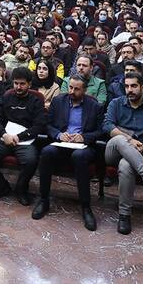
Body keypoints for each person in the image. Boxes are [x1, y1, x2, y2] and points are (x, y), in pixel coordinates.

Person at [32, 75, 104, 231]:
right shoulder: (58, 101)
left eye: (77, 89)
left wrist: (84, 137)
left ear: (84, 90)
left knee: (79, 156)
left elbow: (101, 131)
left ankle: (86, 207)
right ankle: (43, 200)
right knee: (46, 152)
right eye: (70, 87)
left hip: (83, 147)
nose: (72, 91)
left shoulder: (94, 106)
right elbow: (47, 124)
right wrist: (59, 134)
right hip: (61, 143)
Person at [103, 72, 143, 235]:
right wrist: (129, 139)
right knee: (120, 139)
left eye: (133, 86)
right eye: (126, 86)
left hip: (141, 152)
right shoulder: (116, 103)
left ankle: (124, 215)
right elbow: (108, 126)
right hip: (113, 150)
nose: (129, 90)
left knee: (126, 165)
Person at [0, 67, 47, 205]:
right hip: (5, 137)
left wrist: (19, 137)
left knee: (30, 161)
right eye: (16, 83)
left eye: (22, 84)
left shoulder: (36, 101)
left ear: (29, 84)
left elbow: (39, 125)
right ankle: (0, 185)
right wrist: (4, 134)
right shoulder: (6, 97)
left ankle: (21, 189)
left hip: (25, 140)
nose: (18, 87)